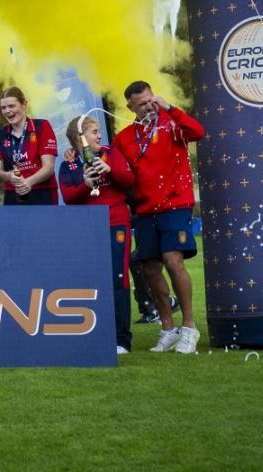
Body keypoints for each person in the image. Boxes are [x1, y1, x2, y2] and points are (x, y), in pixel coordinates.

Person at [112, 81, 206, 354]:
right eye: (142, 103)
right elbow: (119, 171)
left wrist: (170, 108)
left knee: (173, 260)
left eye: (152, 100)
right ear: (130, 106)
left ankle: (189, 327)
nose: (149, 106)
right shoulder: (125, 136)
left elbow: (198, 131)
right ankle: (168, 328)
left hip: (175, 204)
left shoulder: (171, 123)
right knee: (149, 268)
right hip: (144, 209)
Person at [59, 115, 136, 354]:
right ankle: (93, 332)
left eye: (98, 131)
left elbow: (129, 181)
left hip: (115, 223)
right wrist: (84, 183)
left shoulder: (110, 153)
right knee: (90, 280)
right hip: (87, 229)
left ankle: (122, 339)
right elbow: (69, 198)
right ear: (80, 138)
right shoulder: (69, 164)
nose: (99, 135)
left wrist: (110, 170)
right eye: (93, 132)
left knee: (118, 278)